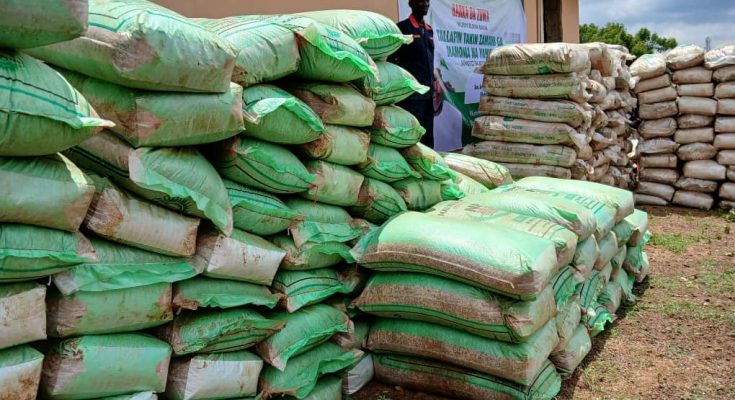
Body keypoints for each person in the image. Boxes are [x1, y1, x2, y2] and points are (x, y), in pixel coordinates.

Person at [389, 0, 441, 148]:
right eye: (421, 1)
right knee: (411, 138)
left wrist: (435, 80)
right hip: (411, 97)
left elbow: (429, 61)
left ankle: (427, 167)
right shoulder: (403, 27)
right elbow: (392, 61)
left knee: (428, 138)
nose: (425, 4)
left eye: (427, 1)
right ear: (411, 3)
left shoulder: (429, 30)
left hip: (428, 97)